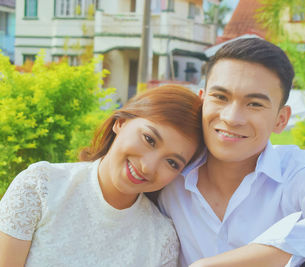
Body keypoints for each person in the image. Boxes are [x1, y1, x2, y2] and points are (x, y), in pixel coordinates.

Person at [158, 38, 305, 266]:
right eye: (220, 97)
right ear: (202, 100)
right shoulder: (170, 170)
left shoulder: (299, 169)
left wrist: (214, 264)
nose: (231, 118)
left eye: (254, 104)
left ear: (281, 119)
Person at [0, 85, 203, 266]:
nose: (148, 167)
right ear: (121, 122)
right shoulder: (40, 186)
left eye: (172, 162)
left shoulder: (161, 239)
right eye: (149, 139)